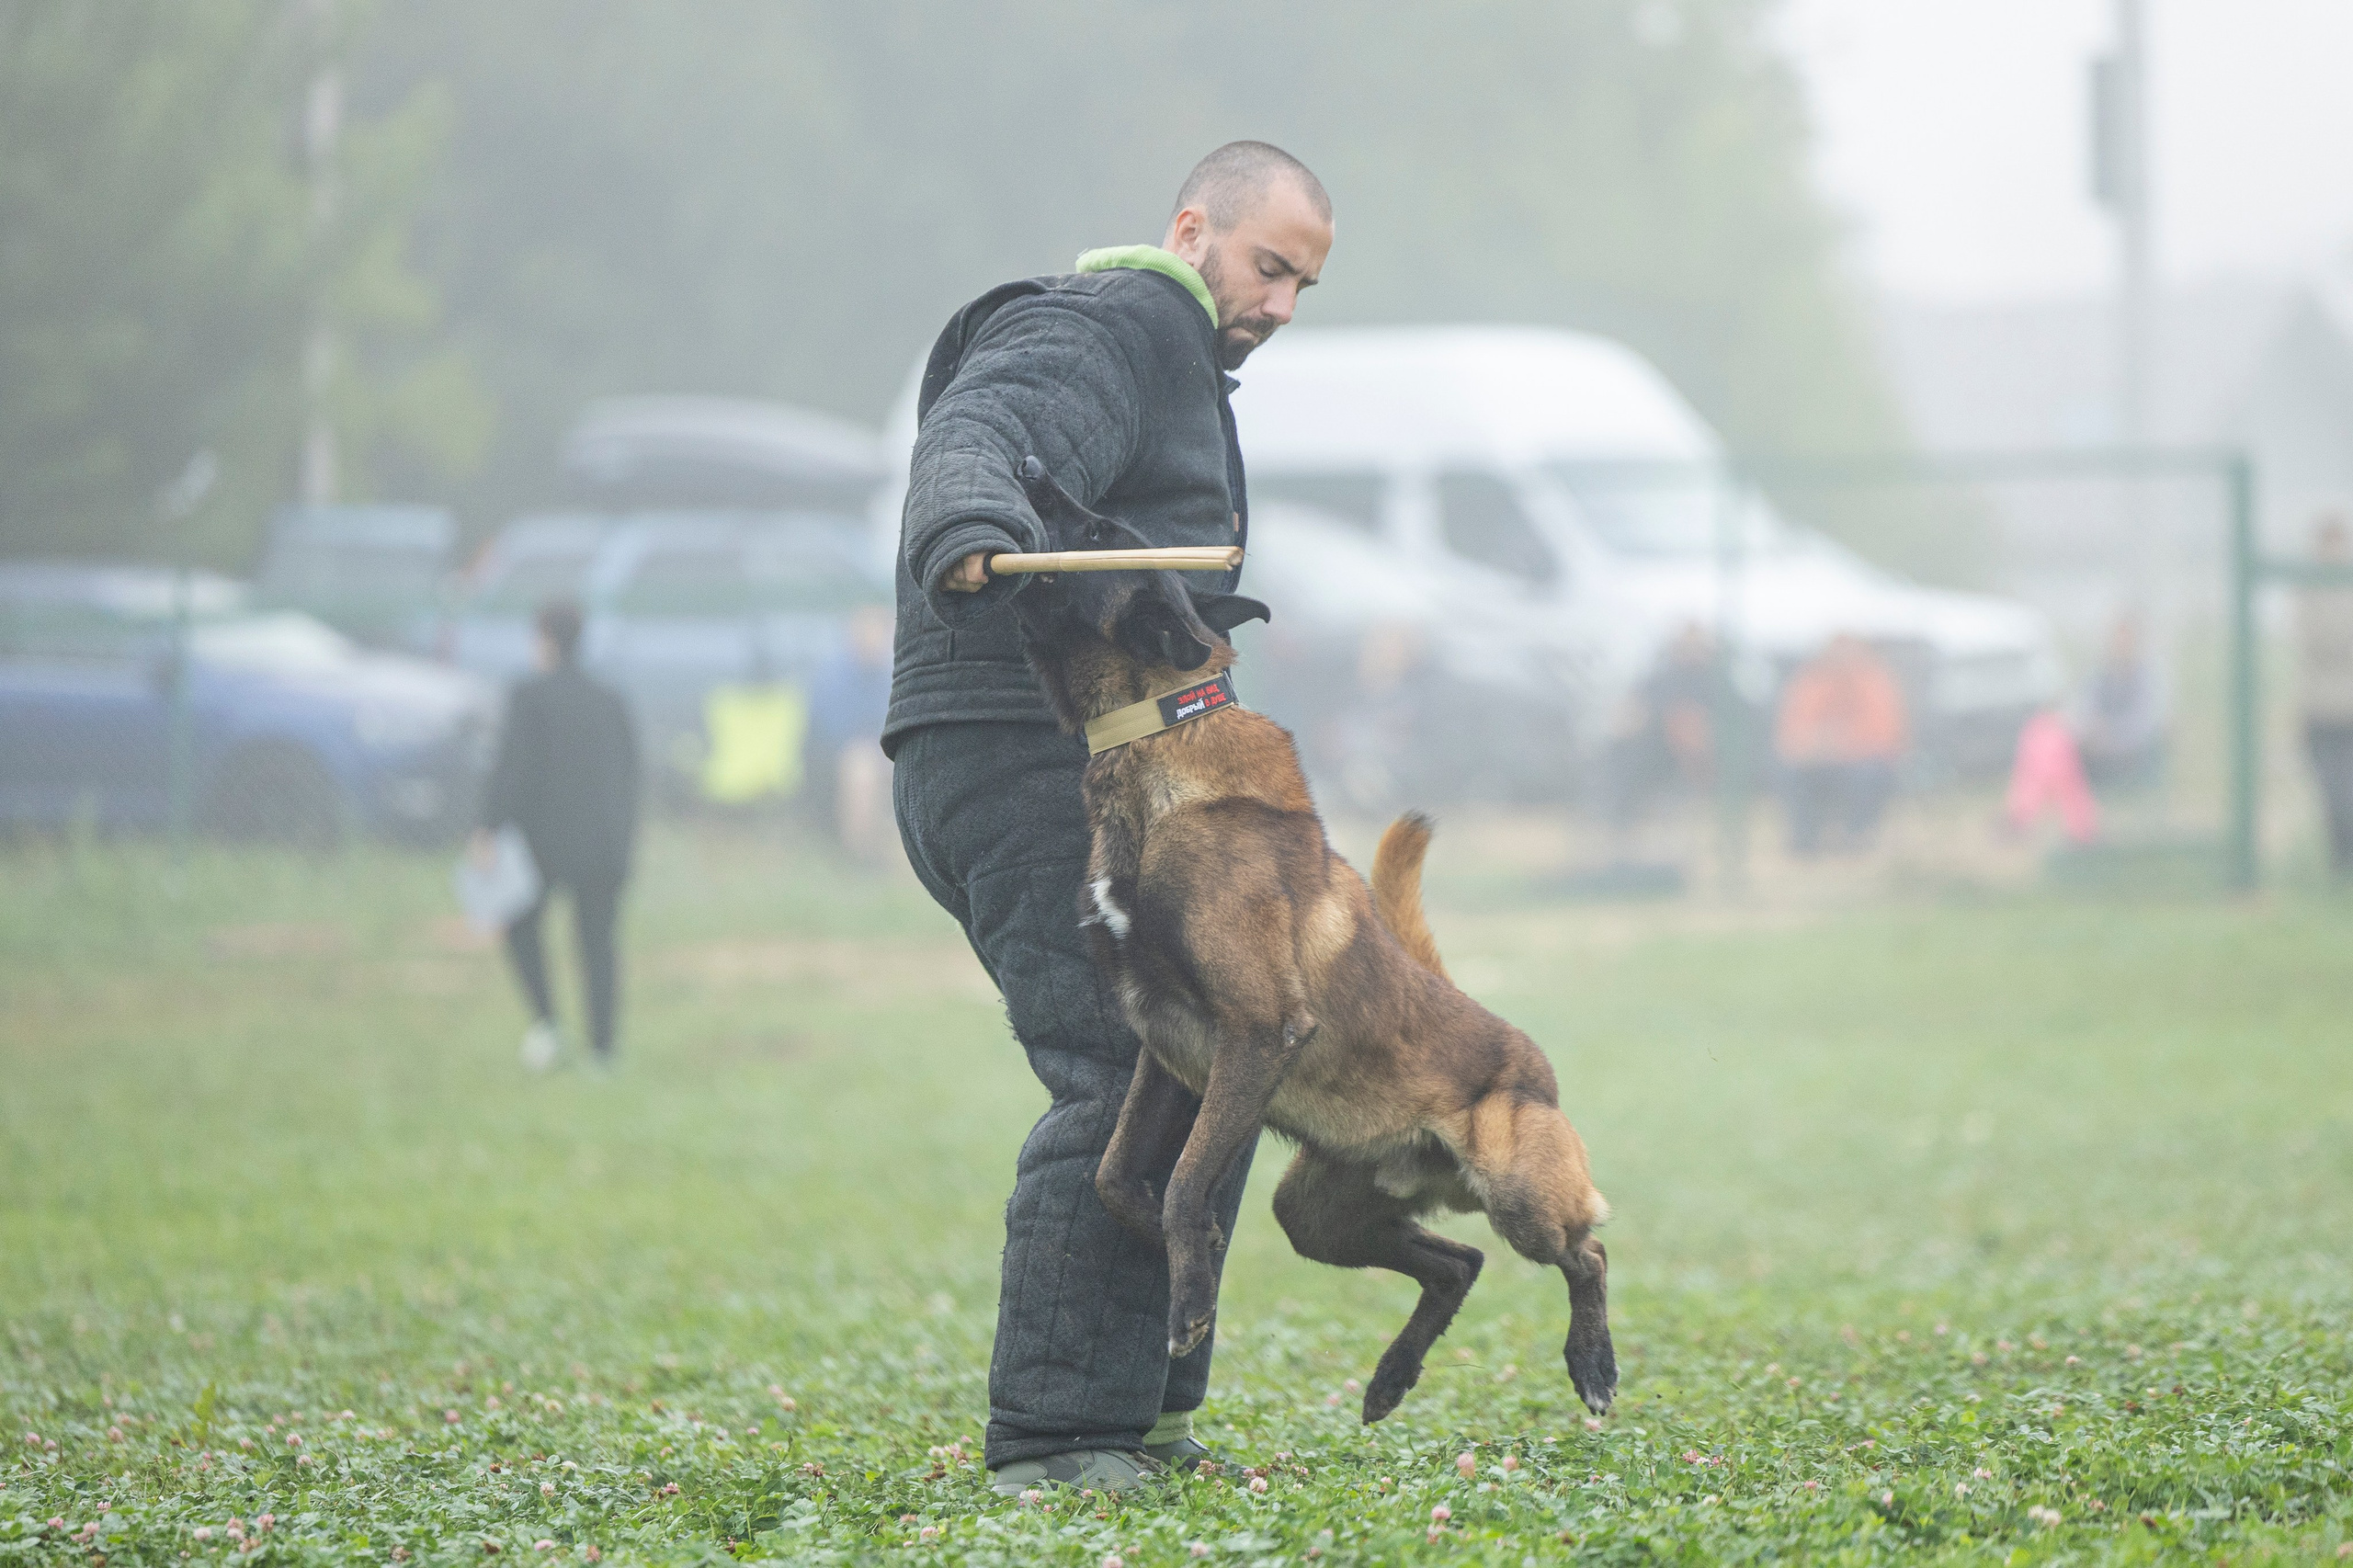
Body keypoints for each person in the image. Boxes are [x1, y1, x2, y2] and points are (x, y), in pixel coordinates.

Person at [884, 142, 1334, 1494]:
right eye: (1270, 266)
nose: (1283, 305)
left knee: (1217, 1051)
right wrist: (969, 510)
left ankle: (1140, 1415)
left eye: (1307, 284)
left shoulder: (1178, 360)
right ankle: (1057, 1438)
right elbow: (993, 421)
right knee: (1119, 1063)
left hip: (1104, 766)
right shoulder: (1112, 323)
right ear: (1192, 228)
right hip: (1025, 759)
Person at [473, 598, 641, 1072]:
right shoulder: (611, 700)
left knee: (520, 925)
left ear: (544, 639)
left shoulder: (528, 697)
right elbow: (630, 775)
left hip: (543, 846)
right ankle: (603, 1052)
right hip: (604, 845)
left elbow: (512, 771)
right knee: (598, 944)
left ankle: (548, 1023)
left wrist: (487, 828)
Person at [1773, 633, 1906, 857]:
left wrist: (1841, 742)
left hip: (1861, 763)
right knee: (1789, 771)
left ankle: (1856, 838)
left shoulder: (1873, 680)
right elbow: (1792, 733)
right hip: (1819, 764)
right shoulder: (1812, 681)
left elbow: (1886, 733)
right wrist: (1814, 745)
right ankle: (1805, 840)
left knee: (1869, 774)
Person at [804, 605, 895, 858]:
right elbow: (835, 730)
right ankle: (860, 855)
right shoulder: (832, 674)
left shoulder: (892, 672)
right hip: (836, 754)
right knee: (861, 771)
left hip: (881, 751)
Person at [2299, 513, 2353, 875]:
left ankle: (2342, 862)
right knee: (2333, 790)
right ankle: (2340, 862)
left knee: (2339, 789)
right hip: (2320, 708)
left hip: (2331, 708)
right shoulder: (2309, 588)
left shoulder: (2311, 589)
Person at [2075, 609, 2168, 790]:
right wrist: (2093, 729)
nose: (2121, 644)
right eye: (2117, 638)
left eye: (2127, 639)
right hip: (2098, 751)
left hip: (2135, 753)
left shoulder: (2148, 676)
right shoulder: (2100, 674)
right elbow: (2085, 708)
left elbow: (2146, 720)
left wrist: (2114, 734)